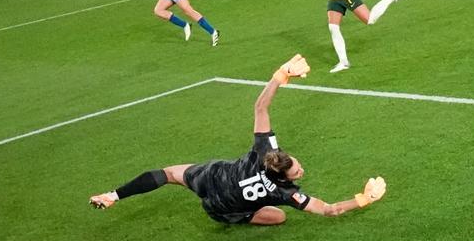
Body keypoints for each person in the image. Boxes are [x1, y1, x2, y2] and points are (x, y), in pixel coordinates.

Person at [89, 55, 387, 224]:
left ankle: (112, 196)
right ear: (284, 176)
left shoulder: (264, 151)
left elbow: (260, 107)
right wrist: (363, 199)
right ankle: (242, 218)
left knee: (167, 174)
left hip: (210, 177)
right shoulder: (287, 194)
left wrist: (281, 74)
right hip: (224, 208)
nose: (301, 171)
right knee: (279, 219)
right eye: (297, 171)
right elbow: (329, 209)